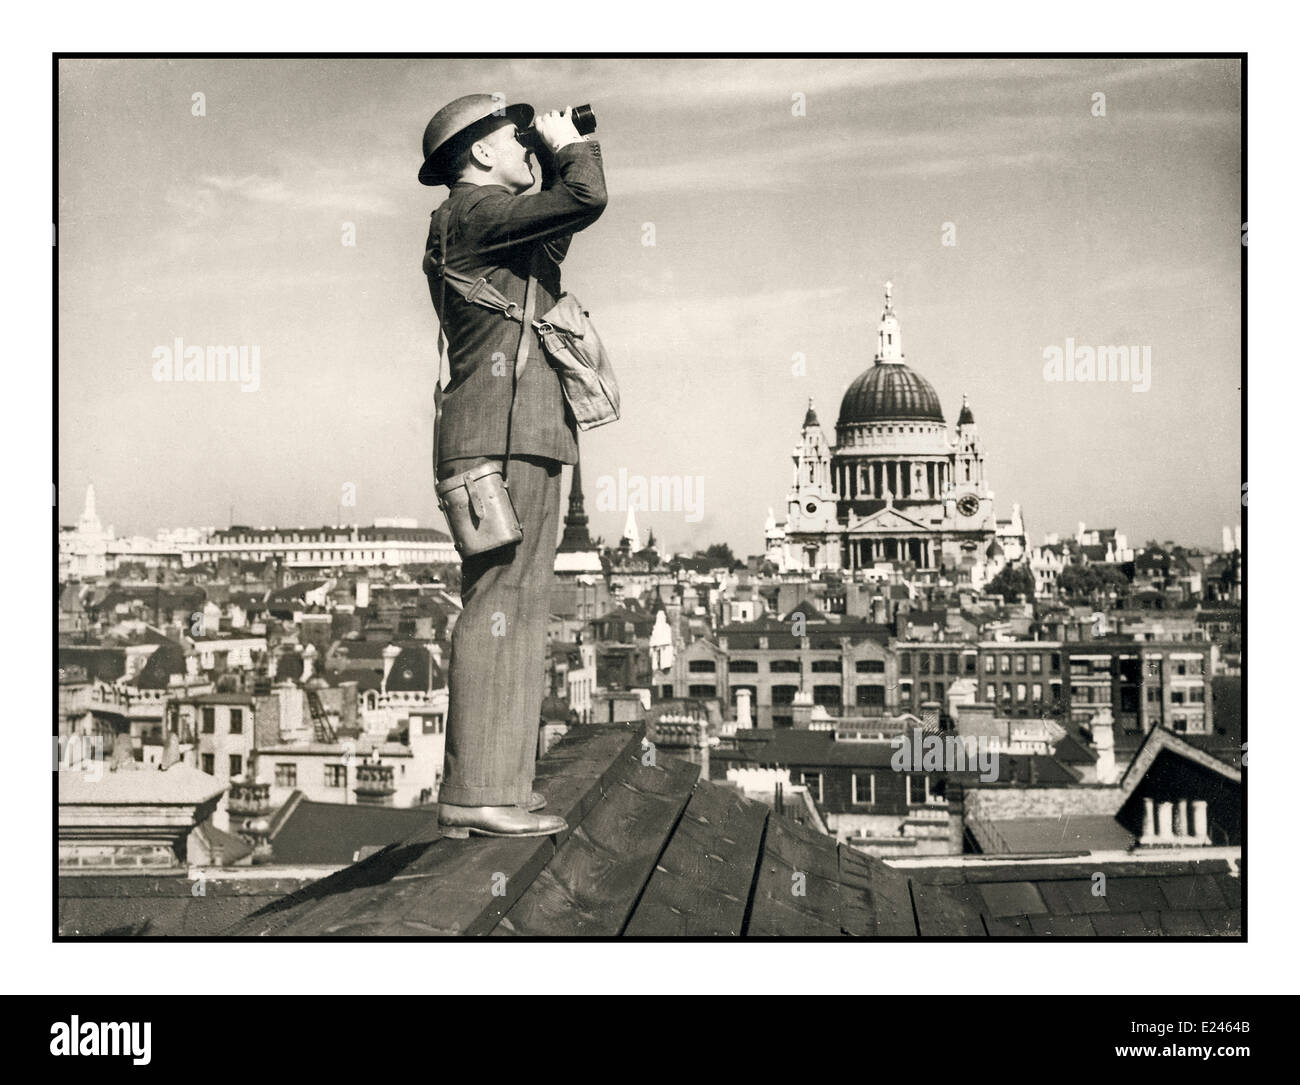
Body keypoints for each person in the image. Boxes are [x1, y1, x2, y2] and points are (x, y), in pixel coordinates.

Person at [418, 94, 607, 837]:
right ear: (477, 154)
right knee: (499, 605)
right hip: (500, 439)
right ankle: (477, 792)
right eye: (513, 136)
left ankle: (502, 784)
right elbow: (586, 197)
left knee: (522, 610)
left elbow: (556, 235)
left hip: (523, 432)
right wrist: (565, 150)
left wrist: (550, 162)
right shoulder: (470, 213)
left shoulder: (491, 228)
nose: (525, 143)